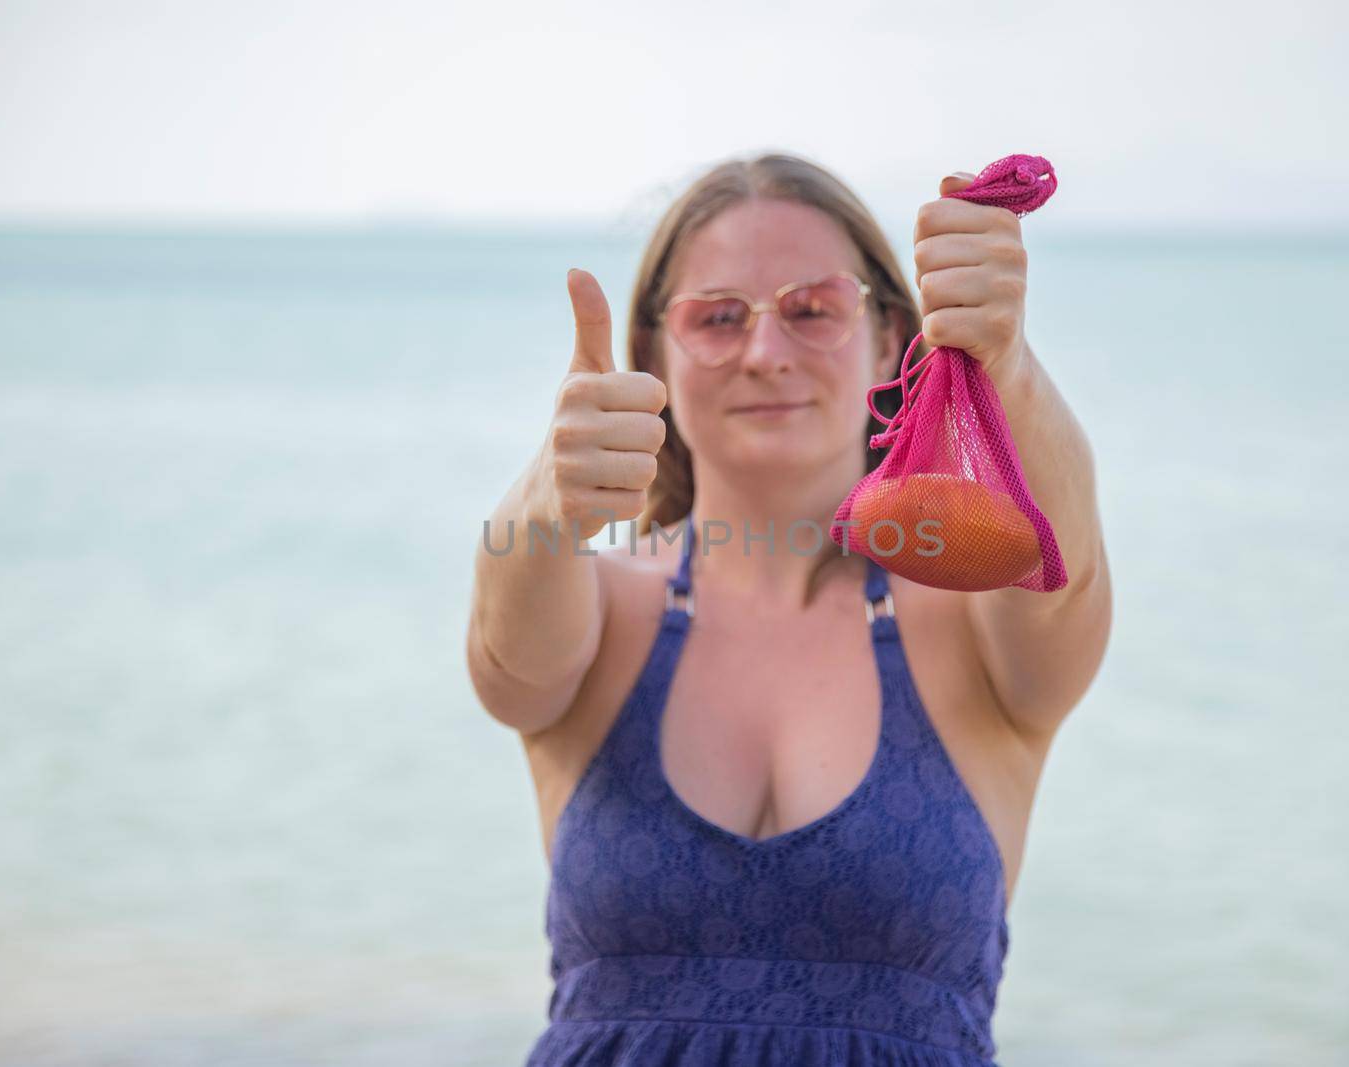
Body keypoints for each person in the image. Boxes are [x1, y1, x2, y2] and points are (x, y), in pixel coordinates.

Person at [467, 152, 1112, 1066]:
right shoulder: (601, 608)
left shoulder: (977, 626)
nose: (766, 353)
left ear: (890, 338)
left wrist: (1004, 358)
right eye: (718, 318)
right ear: (652, 356)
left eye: (813, 309)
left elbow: (1067, 568)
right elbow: (505, 666)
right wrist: (544, 503)